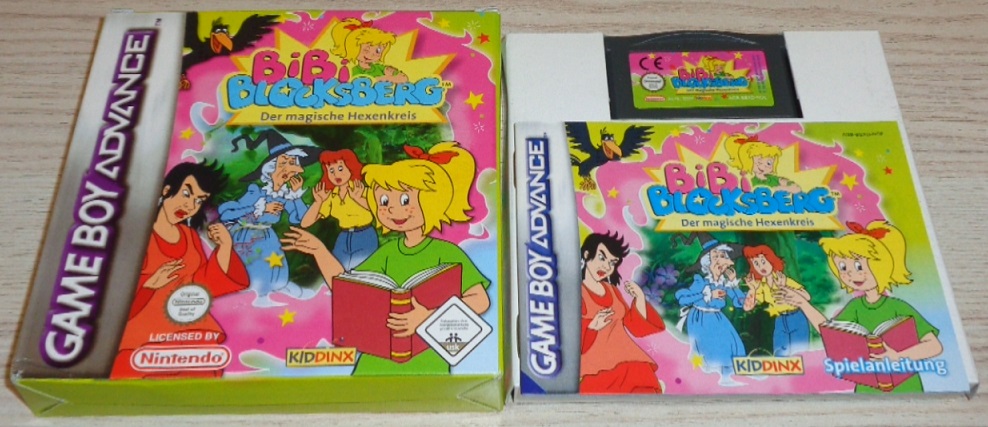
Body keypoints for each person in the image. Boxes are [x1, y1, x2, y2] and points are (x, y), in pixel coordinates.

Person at [282, 142, 490, 375]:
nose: (392, 209)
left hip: (426, 366)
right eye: (384, 201)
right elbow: (346, 288)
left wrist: (429, 316)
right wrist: (319, 250)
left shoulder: (447, 253)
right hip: (373, 364)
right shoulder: (388, 252)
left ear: (432, 201)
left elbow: (480, 301)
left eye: (405, 201)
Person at [111, 161, 248, 379]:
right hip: (143, 336)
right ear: (166, 190)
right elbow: (112, 295)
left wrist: (224, 247)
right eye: (186, 193)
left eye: (199, 200)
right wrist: (150, 284)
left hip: (190, 334)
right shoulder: (137, 235)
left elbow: (202, 286)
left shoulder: (189, 236)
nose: (190, 205)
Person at [777, 221, 943, 393]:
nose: (850, 274)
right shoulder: (855, 306)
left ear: (881, 265)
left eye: (858, 266)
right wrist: (803, 303)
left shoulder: (897, 307)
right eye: (843, 268)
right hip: (867, 388)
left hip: (904, 388)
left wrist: (899, 357)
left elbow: (934, 346)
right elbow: (829, 332)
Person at [219, 129, 321, 307]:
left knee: (274, 264)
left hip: (267, 236)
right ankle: (259, 296)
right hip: (247, 236)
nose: (290, 172)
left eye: (293, 165)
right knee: (254, 266)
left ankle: (279, 287)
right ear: (272, 168)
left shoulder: (285, 195)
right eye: (285, 164)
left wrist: (296, 195)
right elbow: (227, 212)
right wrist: (259, 209)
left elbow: (300, 219)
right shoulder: (256, 191)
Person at [579, 232, 666, 394]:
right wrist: (592, 327)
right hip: (599, 368)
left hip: (631, 363)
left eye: (612, 262)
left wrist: (639, 298)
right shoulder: (578, 293)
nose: (606, 267)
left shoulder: (612, 291)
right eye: (602, 258)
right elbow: (569, 339)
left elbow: (636, 327)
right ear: (586, 254)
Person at [674, 232, 747, 386]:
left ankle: (726, 377)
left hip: (717, 317)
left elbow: (740, 303)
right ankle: (703, 380)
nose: (721, 261)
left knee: (732, 342)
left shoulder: (725, 282)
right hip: (700, 318)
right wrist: (706, 294)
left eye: (723, 256)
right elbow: (682, 297)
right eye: (716, 257)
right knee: (708, 348)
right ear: (707, 263)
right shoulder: (701, 281)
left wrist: (734, 283)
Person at [300, 149, 377, 271]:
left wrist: (358, 199)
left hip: (365, 235)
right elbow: (305, 223)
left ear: (350, 167)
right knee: (338, 272)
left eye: (340, 169)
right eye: (331, 171)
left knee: (361, 274)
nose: (336, 175)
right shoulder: (331, 196)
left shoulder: (360, 189)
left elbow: (378, 210)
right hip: (343, 238)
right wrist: (318, 202)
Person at [741, 244, 810, 356]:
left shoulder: (783, 279)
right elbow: (747, 307)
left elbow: (806, 296)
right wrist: (753, 290)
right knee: (780, 355)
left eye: (763, 261)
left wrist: (784, 287)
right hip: (780, 321)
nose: (761, 266)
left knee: (801, 355)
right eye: (756, 264)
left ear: (771, 260)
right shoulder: (761, 286)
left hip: (796, 318)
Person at [330, 17, 408, 83]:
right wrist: (385, 78)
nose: (372, 54)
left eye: (378, 51)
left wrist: (388, 77)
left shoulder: (380, 68)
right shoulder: (353, 70)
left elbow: (404, 78)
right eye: (366, 50)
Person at [724, 133, 801, 193]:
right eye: (759, 162)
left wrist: (784, 187)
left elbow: (796, 188)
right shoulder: (752, 181)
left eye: (768, 163)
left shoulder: (774, 179)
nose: (764, 166)